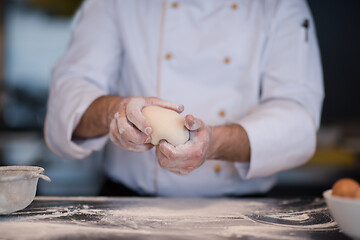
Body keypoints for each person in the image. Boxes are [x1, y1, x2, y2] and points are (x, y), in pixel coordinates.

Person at [44, 0, 324, 197]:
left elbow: (298, 117)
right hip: (130, 204)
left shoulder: (280, 5)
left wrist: (214, 142)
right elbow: (69, 94)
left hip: (245, 211)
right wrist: (114, 112)